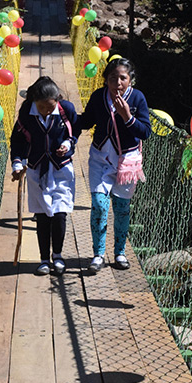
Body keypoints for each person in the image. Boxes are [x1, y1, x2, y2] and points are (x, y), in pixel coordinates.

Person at [79, 58, 152, 274]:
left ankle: (119, 252)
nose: (117, 82)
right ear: (105, 80)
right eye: (112, 78)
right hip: (100, 159)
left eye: (123, 78)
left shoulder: (137, 98)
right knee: (100, 206)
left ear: (130, 80)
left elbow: (145, 132)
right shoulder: (98, 97)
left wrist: (127, 116)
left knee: (121, 209)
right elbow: (85, 122)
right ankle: (98, 254)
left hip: (127, 163)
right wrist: (63, 114)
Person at [11, 76, 78, 275]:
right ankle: (43, 259)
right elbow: (18, 139)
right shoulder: (26, 113)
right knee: (42, 216)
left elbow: (74, 132)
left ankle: (57, 256)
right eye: (41, 107)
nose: (46, 111)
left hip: (61, 169)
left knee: (59, 213)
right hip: (36, 169)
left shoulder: (66, 110)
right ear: (34, 102)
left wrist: (68, 144)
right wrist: (17, 162)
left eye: (50, 107)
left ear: (57, 100)